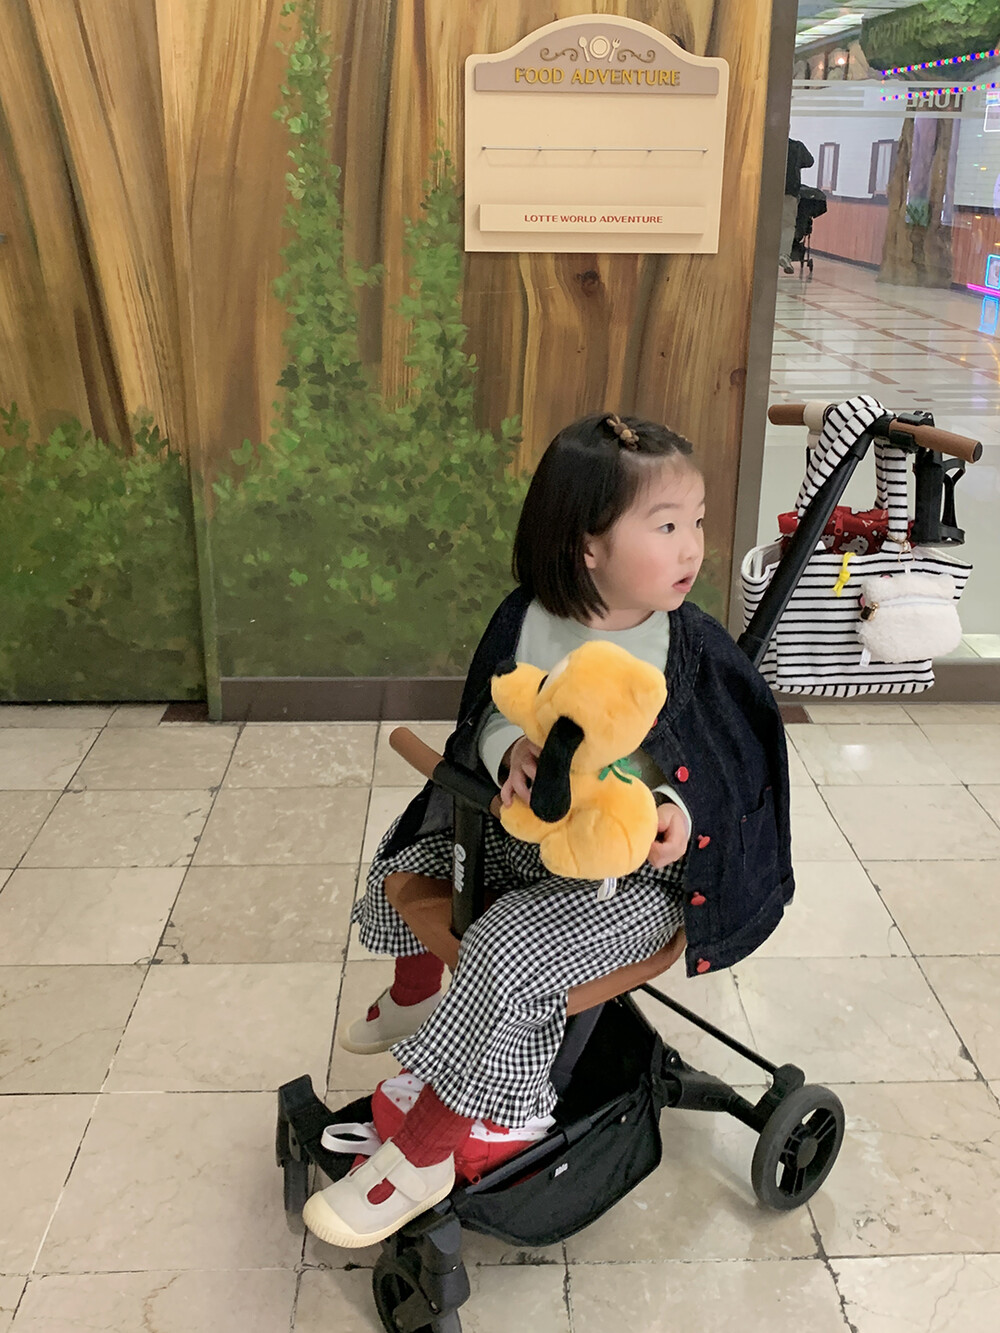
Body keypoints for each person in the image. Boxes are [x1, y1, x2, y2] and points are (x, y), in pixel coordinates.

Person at [302, 412, 794, 1248]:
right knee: (414, 856)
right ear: (586, 546)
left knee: (503, 951)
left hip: (632, 881)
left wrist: (676, 817)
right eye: (666, 526)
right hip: (532, 837)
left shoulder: (689, 649)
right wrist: (509, 753)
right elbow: (494, 709)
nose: (692, 548)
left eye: (698, 521)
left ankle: (424, 1156)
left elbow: (725, 767)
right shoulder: (530, 618)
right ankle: (419, 999)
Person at [779, 138, 815, 274]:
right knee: (787, 225)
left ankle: (760, 254)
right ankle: (783, 254)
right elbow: (809, 161)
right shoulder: (797, 146)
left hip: (766, 192)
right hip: (789, 191)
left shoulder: (767, 144)